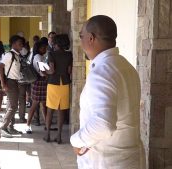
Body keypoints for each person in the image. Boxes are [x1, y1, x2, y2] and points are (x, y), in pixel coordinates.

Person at [70, 15, 145, 169]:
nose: (80, 42)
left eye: (81, 36)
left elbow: (103, 124)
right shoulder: (126, 66)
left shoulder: (103, 72)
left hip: (107, 162)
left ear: (91, 38)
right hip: (130, 158)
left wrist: (77, 140)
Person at [44, 34, 73, 144]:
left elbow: (51, 70)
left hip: (53, 83)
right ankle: (59, 136)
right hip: (64, 83)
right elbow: (69, 71)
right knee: (61, 110)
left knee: (50, 110)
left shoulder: (52, 54)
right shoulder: (69, 55)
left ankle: (47, 135)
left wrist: (44, 71)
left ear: (56, 43)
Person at [0, 35, 26, 138]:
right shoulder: (9, 55)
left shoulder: (17, 55)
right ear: (13, 44)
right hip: (10, 82)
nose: (21, 45)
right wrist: (3, 83)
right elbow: (0, 67)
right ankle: (3, 128)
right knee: (14, 106)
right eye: (19, 43)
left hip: (16, 82)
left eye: (22, 44)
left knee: (11, 106)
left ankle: (10, 127)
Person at [25, 41, 48, 134]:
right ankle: (28, 125)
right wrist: (48, 73)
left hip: (38, 81)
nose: (45, 49)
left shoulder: (36, 55)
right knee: (35, 104)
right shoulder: (38, 56)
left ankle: (47, 124)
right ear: (38, 48)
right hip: (40, 81)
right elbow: (42, 70)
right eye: (43, 48)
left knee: (43, 104)